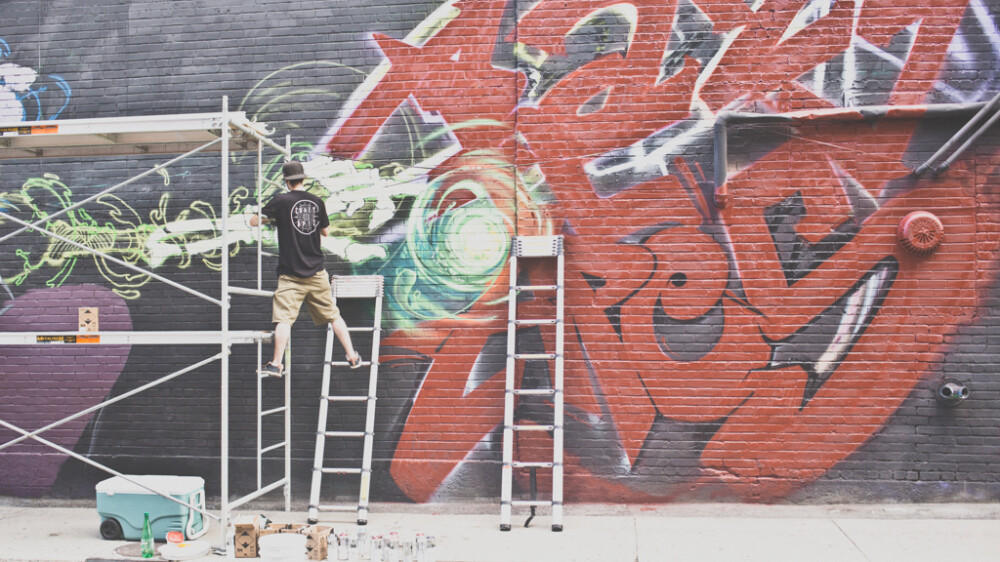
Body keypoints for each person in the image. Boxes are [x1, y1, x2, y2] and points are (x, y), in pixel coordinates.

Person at [249, 160, 361, 376]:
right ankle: (352, 356)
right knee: (333, 315)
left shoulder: (280, 201)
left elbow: (254, 221)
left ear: (286, 181)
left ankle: (276, 364)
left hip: (290, 275)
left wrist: (274, 219)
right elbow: (326, 232)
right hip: (316, 272)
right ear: (303, 178)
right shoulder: (317, 201)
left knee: (284, 319)